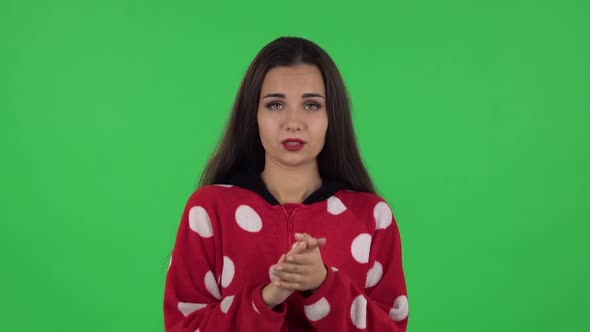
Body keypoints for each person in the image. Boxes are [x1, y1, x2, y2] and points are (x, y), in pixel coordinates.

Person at [163, 36, 409, 331]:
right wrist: (266, 299)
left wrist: (324, 285)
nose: (293, 122)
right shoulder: (208, 210)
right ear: (253, 115)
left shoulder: (373, 217)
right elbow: (184, 326)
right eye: (276, 104)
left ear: (333, 116)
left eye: (312, 105)